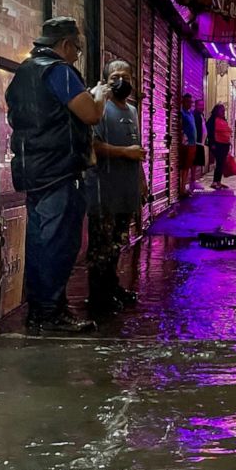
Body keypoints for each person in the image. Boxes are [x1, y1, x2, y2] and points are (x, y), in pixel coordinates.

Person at [6, 16, 109, 333]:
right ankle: (49, 313)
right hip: (59, 172)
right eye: (76, 48)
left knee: (41, 242)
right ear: (64, 45)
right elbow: (90, 113)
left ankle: (44, 309)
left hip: (34, 171)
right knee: (59, 245)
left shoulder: (24, 72)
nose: (77, 55)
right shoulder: (59, 72)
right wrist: (100, 94)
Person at [85, 59, 147, 317]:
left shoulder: (131, 111)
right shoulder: (99, 108)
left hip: (126, 193)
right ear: (106, 81)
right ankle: (99, 298)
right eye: (115, 77)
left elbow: (138, 151)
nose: (121, 81)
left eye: (126, 76)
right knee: (101, 248)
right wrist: (125, 153)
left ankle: (113, 288)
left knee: (117, 245)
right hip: (104, 192)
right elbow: (93, 146)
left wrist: (142, 183)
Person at [208, 104, 233, 190]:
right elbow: (210, 133)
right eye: (221, 110)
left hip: (224, 145)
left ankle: (218, 181)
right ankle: (215, 182)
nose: (223, 112)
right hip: (217, 145)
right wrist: (212, 144)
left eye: (223, 110)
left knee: (221, 164)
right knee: (219, 163)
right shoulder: (213, 120)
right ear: (216, 111)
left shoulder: (223, 120)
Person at [178, 93, 198, 196]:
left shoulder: (190, 114)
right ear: (183, 102)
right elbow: (180, 128)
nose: (189, 104)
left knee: (188, 166)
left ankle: (185, 187)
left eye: (191, 102)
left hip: (192, 144)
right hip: (186, 144)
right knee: (184, 167)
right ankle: (182, 189)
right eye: (187, 102)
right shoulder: (181, 113)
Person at [193, 98, 207, 173]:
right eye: (200, 105)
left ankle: (193, 180)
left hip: (201, 142)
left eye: (203, 105)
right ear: (195, 105)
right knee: (194, 163)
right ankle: (192, 181)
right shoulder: (195, 115)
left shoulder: (201, 115)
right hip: (196, 142)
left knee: (196, 163)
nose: (202, 107)